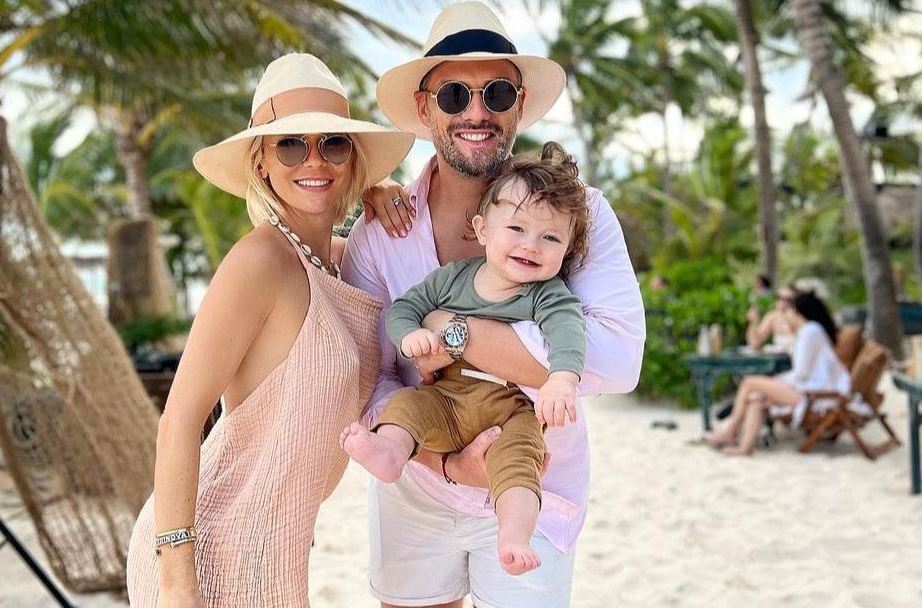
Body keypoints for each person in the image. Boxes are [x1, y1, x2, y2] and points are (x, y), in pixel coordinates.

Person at [342, 3, 646, 606]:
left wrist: (454, 331)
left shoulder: (581, 212)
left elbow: (619, 362)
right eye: (454, 95)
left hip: (535, 484)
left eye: (497, 93)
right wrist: (445, 463)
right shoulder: (379, 233)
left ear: (520, 104)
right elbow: (369, 376)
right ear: (425, 108)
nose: (476, 112)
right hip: (416, 483)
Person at [124, 54, 414, 607]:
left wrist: (379, 191)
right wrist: (177, 583)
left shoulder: (340, 262)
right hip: (209, 548)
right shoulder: (258, 262)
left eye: (333, 143)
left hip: (276, 548)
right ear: (261, 162)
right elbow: (180, 419)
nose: (314, 159)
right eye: (291, 145)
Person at [341, 143, 589, 577]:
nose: (531, 246)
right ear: (482, 230)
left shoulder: (548, 295)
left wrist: (562, 380)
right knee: (409, 406)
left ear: (566, 250)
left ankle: (513, 534)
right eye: (517, 228)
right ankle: (389, 452)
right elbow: (403, 309)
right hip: (447, 395)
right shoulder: (454, 278)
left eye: (550, 238)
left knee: (521, 461)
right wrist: (411, 336)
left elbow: (569, 334)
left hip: (511, 408)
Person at [709, 291, 849, 456]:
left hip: (816, 395)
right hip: (811, 390)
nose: (786, 315)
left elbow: (802, 373)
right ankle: (744, 448)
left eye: (789, 310)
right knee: (756, 397)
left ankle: (730, 433)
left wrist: (777, 382)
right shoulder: (810, 331)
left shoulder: (809, 332)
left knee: (749, 382)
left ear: (797, 312)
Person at [746, 283, 799, 352]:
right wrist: (753, 323)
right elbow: (754, 343)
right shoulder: (773, 316)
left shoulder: (799, 317)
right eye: (779, 298)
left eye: (788, 300)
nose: (782, 302)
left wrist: (790, 324)